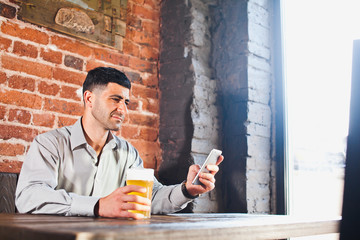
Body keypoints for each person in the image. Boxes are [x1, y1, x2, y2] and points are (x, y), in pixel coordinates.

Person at [15, 67, 223, 219]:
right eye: (115, 99)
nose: (123, 109)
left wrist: (187, 190)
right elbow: (28, 197)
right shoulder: (49, 144)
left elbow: (150, 198)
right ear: (89, 99)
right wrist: (98, 206)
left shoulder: (128, 153)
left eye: (126, 102)